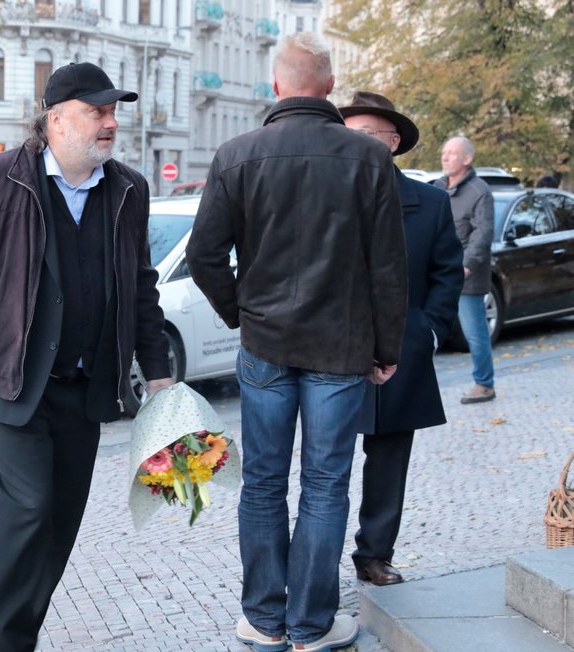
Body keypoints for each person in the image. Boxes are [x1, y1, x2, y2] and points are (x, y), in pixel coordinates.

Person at [0, 61, 174, 651]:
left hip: (87, 387)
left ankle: (17, 635)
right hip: (10, 382)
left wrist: (157, 370)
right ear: (55, 119)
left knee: (59, 523)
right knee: (26, 510)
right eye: (96, 112)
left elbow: (140, 284)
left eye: (112, 113)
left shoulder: (128, 188)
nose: (109, 123)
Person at [185, 33, 408, 652]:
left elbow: (205, 255)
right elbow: (389, 268)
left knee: (261, 482)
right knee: (326, 484)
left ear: (277, 86)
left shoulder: (236, 155)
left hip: (265, 344)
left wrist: (241, 311)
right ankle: (311, 626)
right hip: (340, 349)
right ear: (330, 87)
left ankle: (263, 618)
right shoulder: (368, 159)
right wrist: (386, 347)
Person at [338, 92, 464, 587]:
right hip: (332, 348)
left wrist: (427, 330)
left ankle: (374, 554)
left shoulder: (429, 202)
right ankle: (313, 559)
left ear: (392, 143)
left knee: (389, 457)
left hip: (401, 349)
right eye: (347, 134)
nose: (355, 144)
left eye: (366, 135)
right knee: (324, 461)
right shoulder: (324, 197)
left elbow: (448, 273)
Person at [434, 137, 496, 404]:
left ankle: (484, 385)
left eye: (452, 153)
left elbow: (483, 234)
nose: (445, 157)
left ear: (467, 159)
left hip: (465, 276)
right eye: (444, 152)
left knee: (475, 332)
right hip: (437, 272)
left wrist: (466, 266)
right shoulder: (436, 187)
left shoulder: (479, 191)